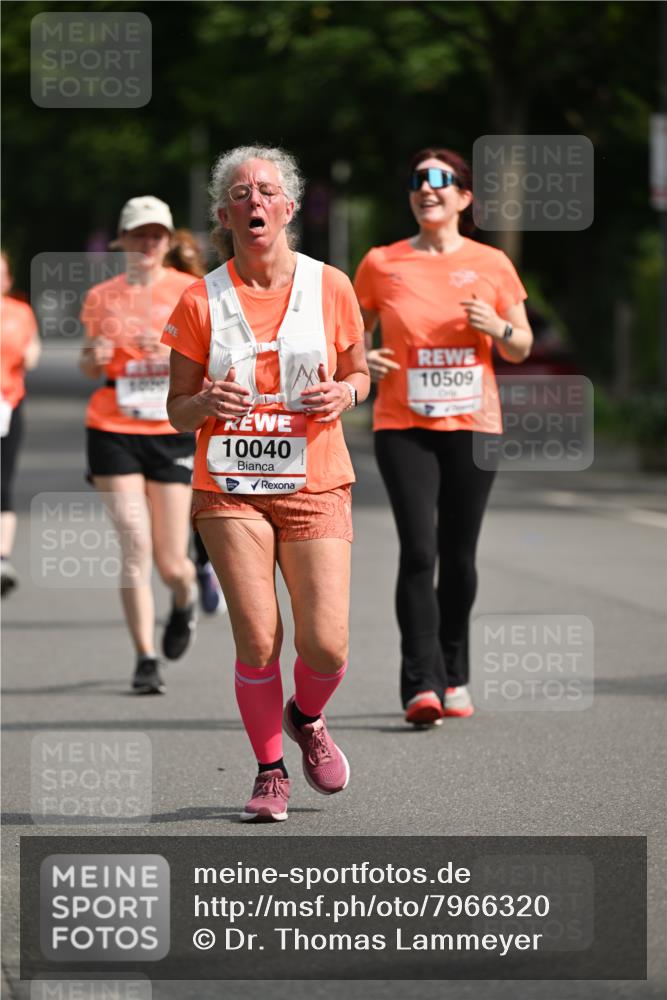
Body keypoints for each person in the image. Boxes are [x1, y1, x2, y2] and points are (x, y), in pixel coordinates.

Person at [162, 145, 369, 822]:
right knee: (257, 638)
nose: (255, 200)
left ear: (287, 207)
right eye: (240, 193)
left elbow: (358, 375)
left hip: (314, 483)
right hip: (229, 486)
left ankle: (305, 716)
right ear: (224, 214)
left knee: (327, 645)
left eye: (267, 190)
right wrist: (206, 406)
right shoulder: (200, 298)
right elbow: (176, 408)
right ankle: (269, 770)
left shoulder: (330, 285)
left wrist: (343, 393)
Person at [354, 147, 533, 727]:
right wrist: (362, 362)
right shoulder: (382, 262)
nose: (427, 189)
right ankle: (420, 685)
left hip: (473, 427)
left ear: (464, 197)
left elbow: (521, 344)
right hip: (403, 423)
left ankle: (455, 674)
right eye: (417, 181)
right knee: (419, 551)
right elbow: (346, 335)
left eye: (441, 180)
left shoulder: (492, 262)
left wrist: (498, 326)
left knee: (458, 558)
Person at [79, 197, 199, 694]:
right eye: (138, 235)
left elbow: (212, 358)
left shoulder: (191, 291)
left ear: (169, 241)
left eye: (156, 235)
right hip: (113, 426)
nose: (148, 243)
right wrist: (97, 354)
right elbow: (89, 365)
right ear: (123, 241)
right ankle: (145, 658)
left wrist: (167, 351)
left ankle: (185, 597)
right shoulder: (101, 297)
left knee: (171, 562)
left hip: (171, 430)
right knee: (134, 542)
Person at [165, 230, 227, 616]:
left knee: (193, 499)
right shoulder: (122, 293)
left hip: (192, 413)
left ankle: (200, 563)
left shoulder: (200, 293)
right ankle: (190, 566)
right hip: (138, 420)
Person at [1, 251, 41, 596]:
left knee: (3, 480)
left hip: (7, 404)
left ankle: (2, 558)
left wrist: (30, 354)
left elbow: (33, 352)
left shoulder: (20, 313)